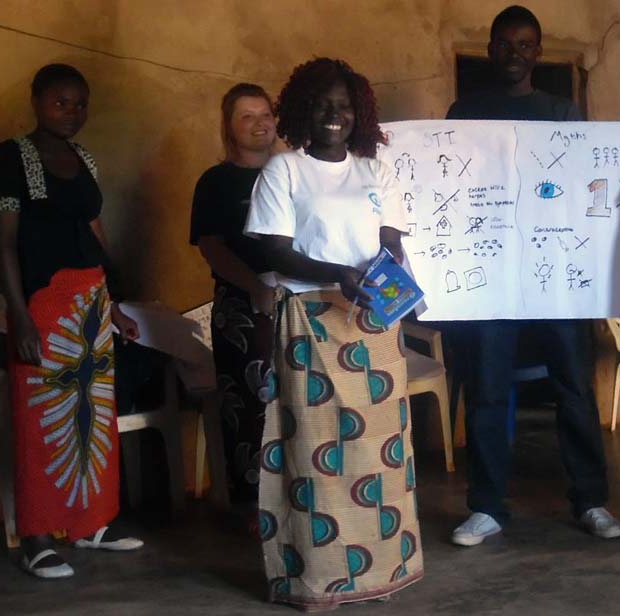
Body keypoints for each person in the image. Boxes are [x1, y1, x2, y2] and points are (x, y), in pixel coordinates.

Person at [245, 57, 422, 609]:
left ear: (359, 113)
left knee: (379, 453)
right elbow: (270, 248)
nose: (334, 115)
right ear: (302, 108)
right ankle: (318, 578)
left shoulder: (376, 170)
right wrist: (334, 275)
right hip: (311, 321)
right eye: (323, 104)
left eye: (344, 106)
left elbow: (390, 242)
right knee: (317, 450)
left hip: (372, 322)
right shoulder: (284, 170)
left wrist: (404, 287)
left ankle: (383, 568)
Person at [446, 4, 620, 547]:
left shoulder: (562, 112)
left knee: (574, 388)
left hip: (558, 277)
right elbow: (446, 186)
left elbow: (586, 185)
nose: (515, 54)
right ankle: (486, 507)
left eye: (526, 45)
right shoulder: (464, 112)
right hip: (492, 277)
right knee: (487, 391)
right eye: (505, 43)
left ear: (538, 52)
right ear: (491, 49)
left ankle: (590, 500)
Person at [0, 63, 144, 579]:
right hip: (43, 304)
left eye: (80, 103)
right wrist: (21, 316)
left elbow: (94, 232)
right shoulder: (8, 158)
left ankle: (90, 524)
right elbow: (3, 243)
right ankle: (35, 536)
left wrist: (114, 300)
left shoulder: (84, 159)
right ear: (35, 100)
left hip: (90, 302)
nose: (71, 111)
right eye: (60, 101)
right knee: (38, 422)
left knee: (94, 416)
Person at [190, 83, 279, 523]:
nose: (260, 123)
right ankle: (252, 508)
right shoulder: (216, 182)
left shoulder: (291, 173)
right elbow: (211, 246)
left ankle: (296, 500)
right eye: (247, 116)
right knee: (247, 406)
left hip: (291, 299)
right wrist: (255, 287)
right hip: (241, 310)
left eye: (265, 114)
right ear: (229, 127)